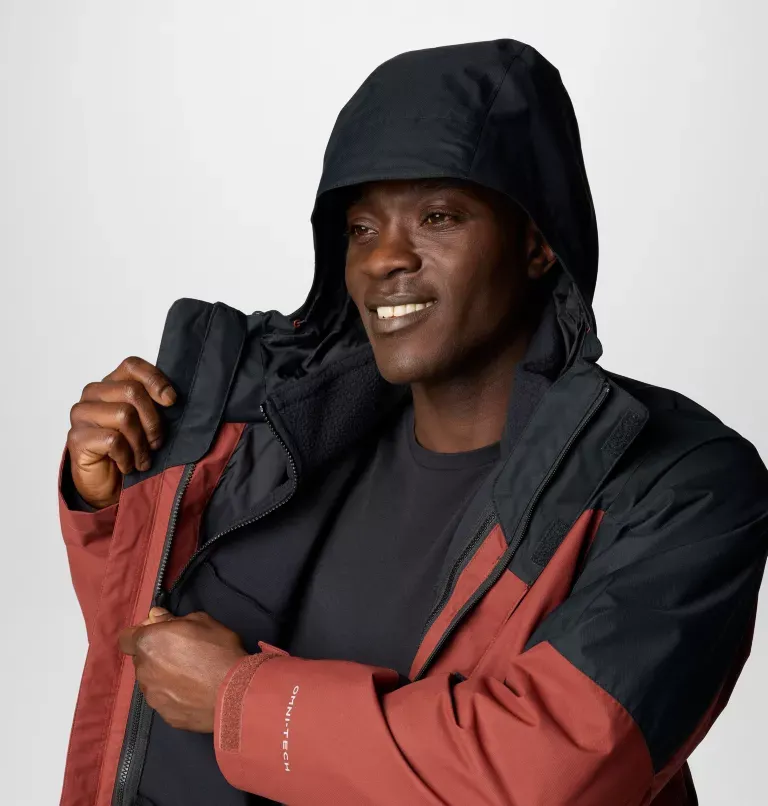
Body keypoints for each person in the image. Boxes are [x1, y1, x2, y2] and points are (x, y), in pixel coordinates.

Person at [57, 38, 768, 806]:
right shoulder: (297, 438)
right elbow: (158, 678)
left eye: (437, 216)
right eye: (362, 228)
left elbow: (549, 773)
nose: (382, 259)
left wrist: (248, 702)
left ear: (536, 243)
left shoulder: (682, 484)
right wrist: (118, 503)